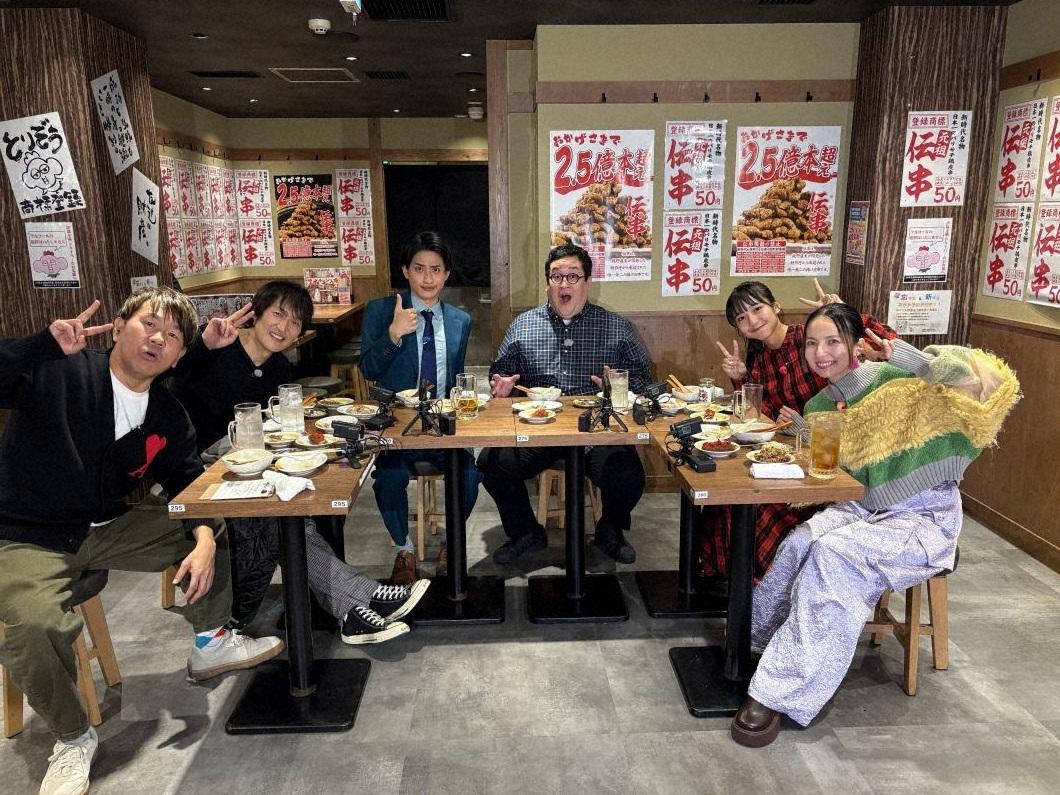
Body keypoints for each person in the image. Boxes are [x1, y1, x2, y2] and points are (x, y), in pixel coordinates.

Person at [0, 288, 283, 795]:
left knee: (210, 520)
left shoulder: (165, 412)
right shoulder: (58, 371)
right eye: (148, 324)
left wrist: (203, 539)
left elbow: (185, 479)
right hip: (31, 536)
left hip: (107, 527)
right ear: (117, 327)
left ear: (179, 355)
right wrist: (40, 344)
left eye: (172, 335)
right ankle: (73, 737)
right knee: (31, 624)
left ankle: (211, 642)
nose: (157, 339)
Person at [730, 303, 1020, 748]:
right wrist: (803, 432)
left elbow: (986, 383)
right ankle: (761, 646)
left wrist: (910, 358)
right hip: (863, 510)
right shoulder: (820, 404)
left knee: (834, 556)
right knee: (799, 541)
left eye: (833, 341)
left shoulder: (897, 377)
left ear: (853, 344)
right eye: (812, 343)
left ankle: (778, 691)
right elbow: (849, 468)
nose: (821, 353)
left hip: (923, 516)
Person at [171, 281, 429, 640]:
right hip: (203, 474)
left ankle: (352, 609)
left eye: (295, 322)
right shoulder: (217, 350)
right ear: (256, 314)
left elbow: (274, 430)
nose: (284, 327)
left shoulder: (279, 368)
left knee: (300, 512)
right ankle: (363, 597)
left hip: (254, 470)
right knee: (288, 522)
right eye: (278, 314)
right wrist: (202, 346)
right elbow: (169, 384)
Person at [699, 279, 897, 591]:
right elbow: (764, 416)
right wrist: (742, 379)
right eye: (741, 318)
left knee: (760, 506)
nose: (753, 320)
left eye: (757, 309)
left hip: (836, 455)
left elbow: (878, 341)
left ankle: (770, 587)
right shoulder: (759, 359)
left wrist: (839, 311)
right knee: (724, 498)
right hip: (797, 452)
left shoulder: (809, 337)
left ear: (776, 307)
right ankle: (732, 581)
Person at [481, 243, 652, 564]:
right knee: (492, 464)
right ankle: (525, 532)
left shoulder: (615, 327)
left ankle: (610, 530)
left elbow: (644, 378)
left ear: (587, 282)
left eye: (573, 276)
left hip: (596, 431)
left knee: (628, 474)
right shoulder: (523, 325)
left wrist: (618, 385)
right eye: (556, 276)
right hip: (539, 428)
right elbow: (499, 373)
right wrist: (500, 384)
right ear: (548, 282)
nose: (564, 284)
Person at [359, 231, 479, 584]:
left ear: (447, 274)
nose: (428, 278)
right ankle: (404, 549)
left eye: (436, 269)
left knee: (470, 476)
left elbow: (456, 379)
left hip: (441, 425)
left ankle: (451, 543)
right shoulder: (381, 311)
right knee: (389, 478)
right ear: (406, 271)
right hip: (396, 425)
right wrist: (393, 334)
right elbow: (368, 369)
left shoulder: (459, 320)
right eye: (419, 268)